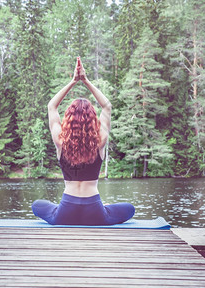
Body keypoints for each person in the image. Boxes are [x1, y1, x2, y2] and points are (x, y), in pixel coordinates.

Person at [32, 57, 135, 225]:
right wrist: (85, 81)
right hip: (95, 211)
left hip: (65, 212)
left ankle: (62, 209)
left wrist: (73, 81)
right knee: (129, 208)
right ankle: (104, 208)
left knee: (37, 205)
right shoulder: (99, 141)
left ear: (68, 119)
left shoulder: (61, 141)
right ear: (93, 118)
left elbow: (51, 106)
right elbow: (107, 106)